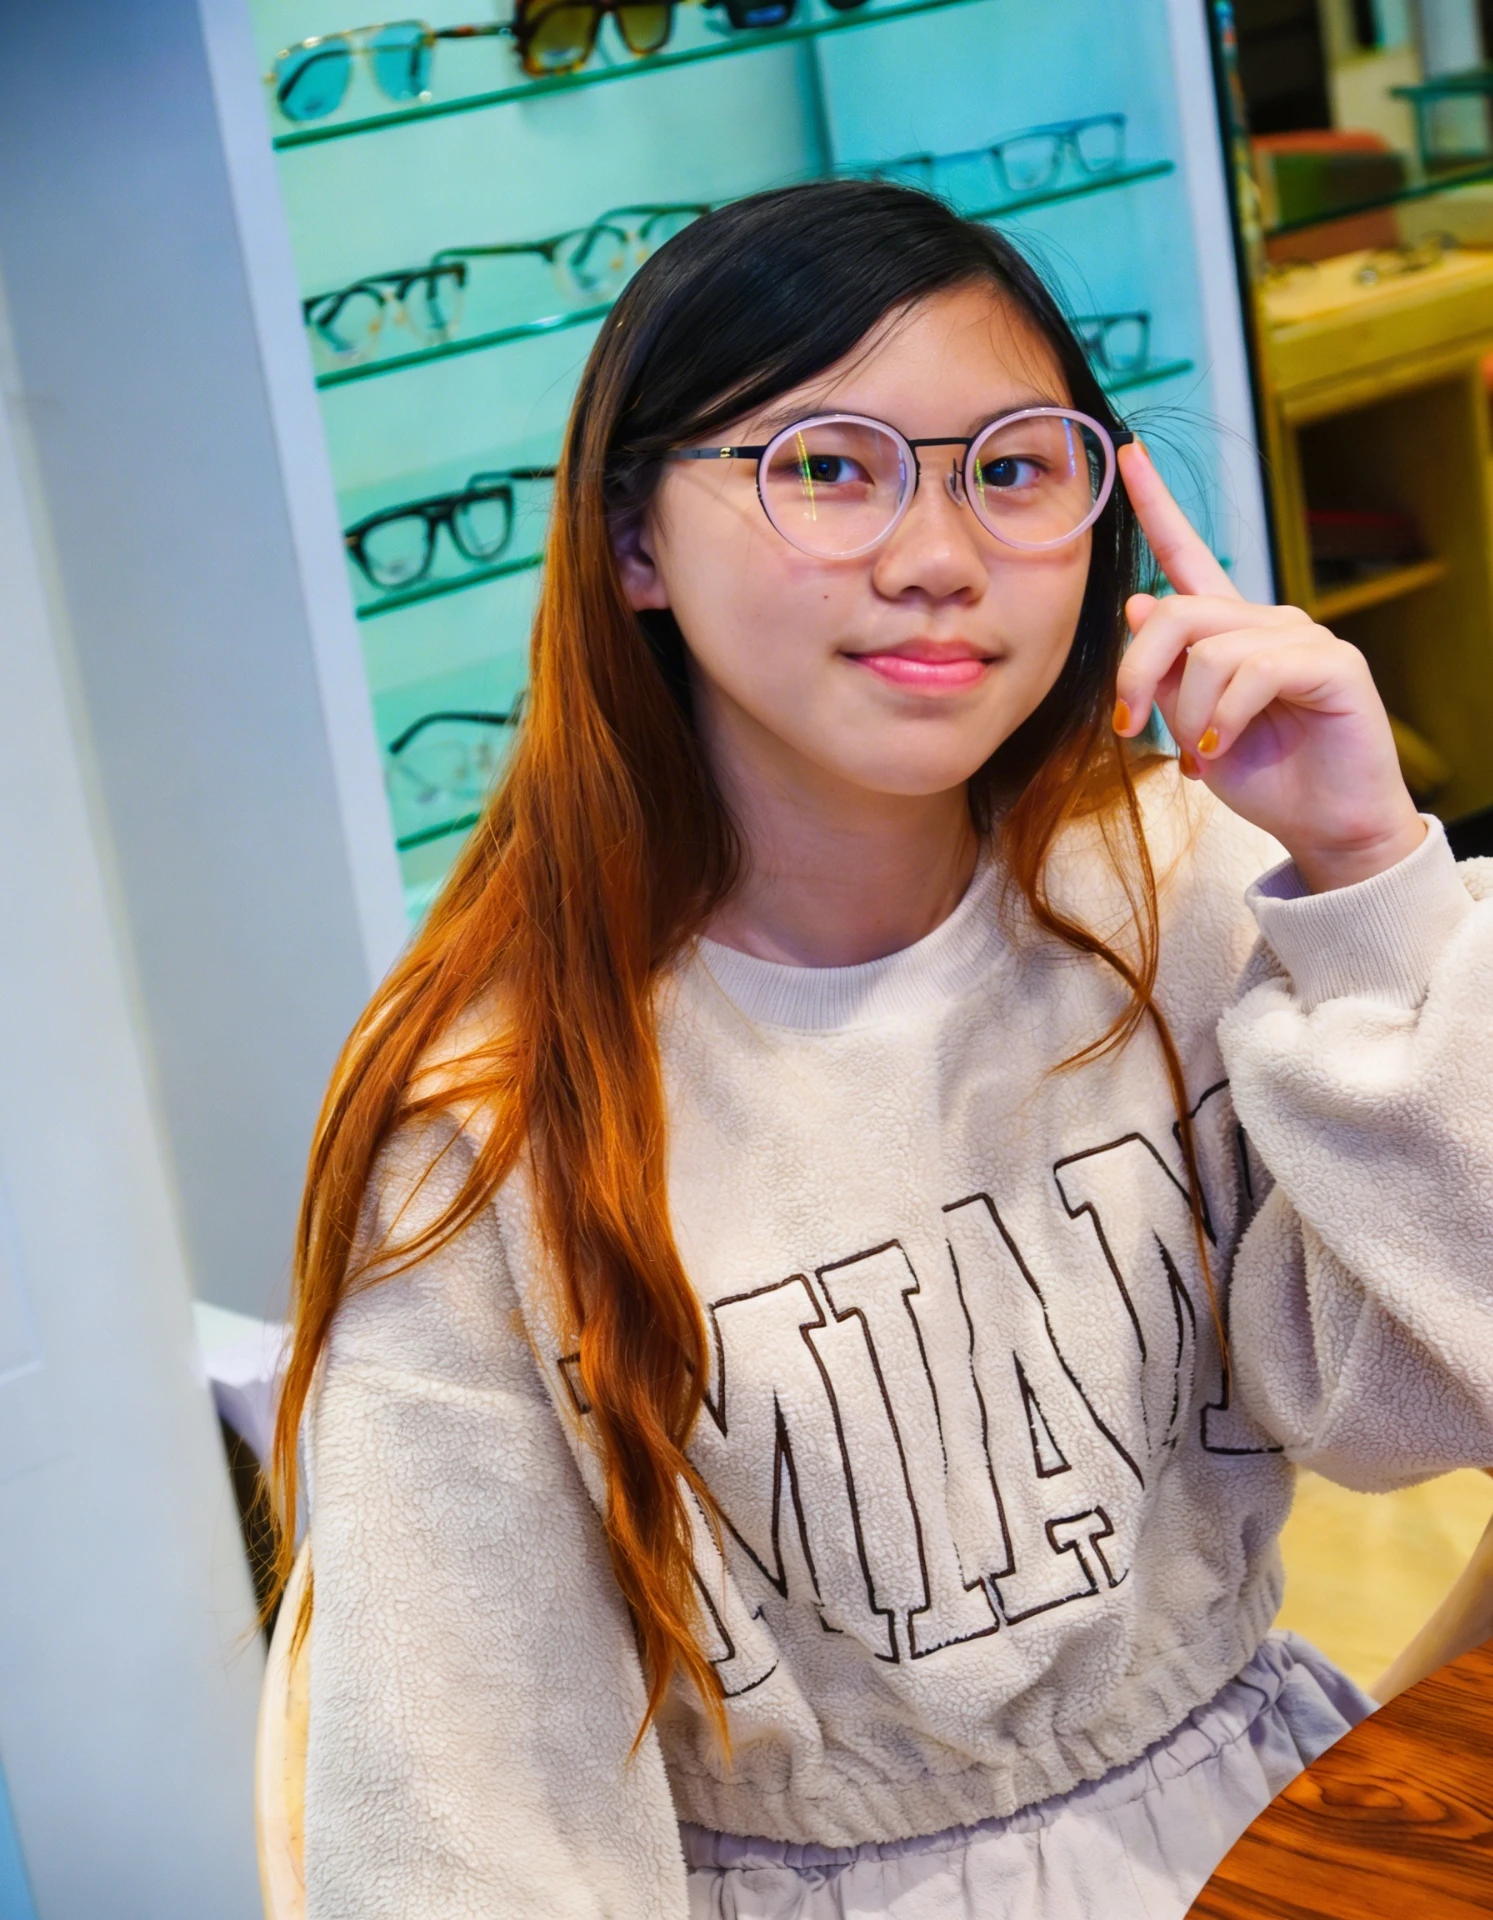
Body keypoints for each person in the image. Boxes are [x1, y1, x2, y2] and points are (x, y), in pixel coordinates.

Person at [272, 181, 1493, 1919]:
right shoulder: (495, 1123)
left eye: (1012, 469)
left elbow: (1442, 1380)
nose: (936, 555)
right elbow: (467, 1833)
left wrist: (1369, 880)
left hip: (1275, 1843)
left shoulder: (1182, 886)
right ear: (633, 546)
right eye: (829, 469)